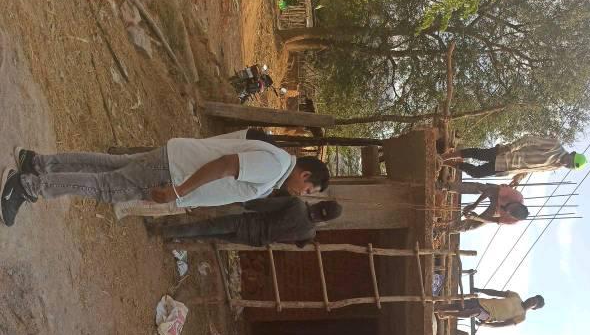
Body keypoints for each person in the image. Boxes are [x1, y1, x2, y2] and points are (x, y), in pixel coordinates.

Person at [1, 135, 330, 228]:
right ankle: (26, 186)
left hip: (176, 162)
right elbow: (226, 165)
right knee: (106, 187)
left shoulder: (275, 163)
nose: (302, 195)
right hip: (174, 173)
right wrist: (179, 190)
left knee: (107, 167)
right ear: (305, 175)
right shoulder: (274, 167)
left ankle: (38, 163)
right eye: (308, 190)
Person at [159, 197, 343, 248]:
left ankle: (163, 231)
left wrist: (245, 202)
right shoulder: (309, 233)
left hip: (246, 223)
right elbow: (296, 243)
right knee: (213, 235)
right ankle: (172, 236)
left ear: (321, 203)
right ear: (325, 220)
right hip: (255, 240)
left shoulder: (297, 204)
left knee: (207, 226)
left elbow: (265, 205)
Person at [444, 135, 586, 181]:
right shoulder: (555, 145)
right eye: (570, 161)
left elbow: (531, 168)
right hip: (506, 154)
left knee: (476, 173)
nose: (566, 164)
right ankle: (446, 157)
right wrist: (510, 147)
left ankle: (448, 164)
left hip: (506, 168)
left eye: (569, 166)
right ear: (572, 154)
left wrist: (519, 178)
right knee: (477, 154)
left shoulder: (555, 166)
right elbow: (529, 139)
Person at [435, 288, 544, 325]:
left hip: (488, 315)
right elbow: (496, 293)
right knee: (459, 305)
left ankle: (446, 314)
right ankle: (437, 309)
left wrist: (486, 325)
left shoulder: (522, 317)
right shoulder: (515, 296)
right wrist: (480, 290)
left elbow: (503, 324)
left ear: (534, 308)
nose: (531, 300)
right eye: (532, 298)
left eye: (534, 302)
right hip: (482, 302)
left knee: (474, 312)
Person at [456, 182, 528, 228]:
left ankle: (453, 227)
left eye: (509, 212)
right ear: (517, 203)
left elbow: (492, 220)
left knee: (476, 224)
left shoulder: (512, 221)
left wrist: (475, 218)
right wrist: (474, 205)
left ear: (512, 216)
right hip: (496, 193)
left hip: (496, 211)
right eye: (510, 206)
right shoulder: (517, 196)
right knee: (480, 187)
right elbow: (490, 191)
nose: (507, 209)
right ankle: (452, 187)